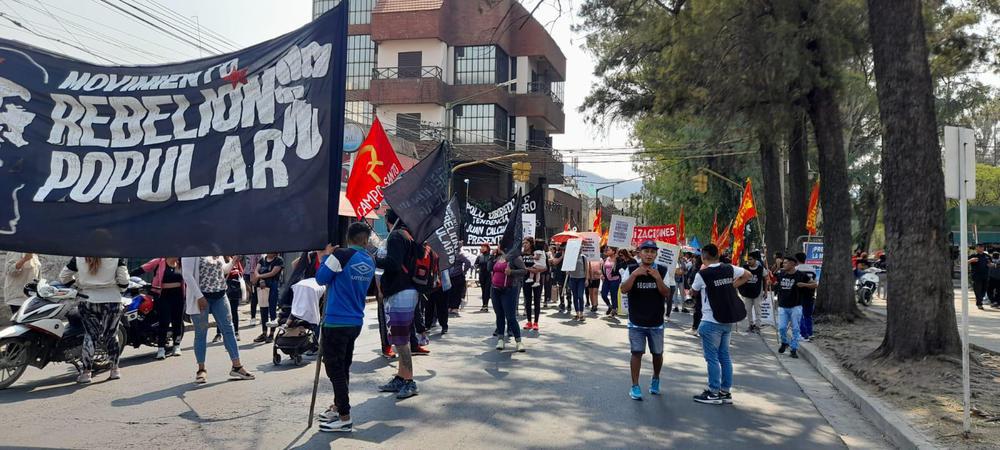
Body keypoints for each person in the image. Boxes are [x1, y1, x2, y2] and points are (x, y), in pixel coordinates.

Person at [315, 223, 376, 433]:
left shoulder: (341, 255)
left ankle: (344, 417)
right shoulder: (369, 260)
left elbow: (321, 278)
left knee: (335, 370)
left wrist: (325, 256)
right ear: (365, 240)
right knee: (343, 366)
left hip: (336, 321)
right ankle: (338, 406)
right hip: (355, 321)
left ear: (348, 237)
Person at [689, 244, 750, 405]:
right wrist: (730, 286)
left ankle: (713, 392)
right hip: (727, 320)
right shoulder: (729, 268)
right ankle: (725, 391)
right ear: (718, 255)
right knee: (724, 356)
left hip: (710, 320)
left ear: (703, 256)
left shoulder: (703, 274)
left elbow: (693, 292)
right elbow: (747, 275)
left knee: (712, 358)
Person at [182, 255, 254, 384]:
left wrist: (232, 262)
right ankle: (201, 369)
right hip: (201, 297)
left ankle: (237, 366)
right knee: (201, 333)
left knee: (228, 329)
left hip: (220, 295)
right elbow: (187, 274)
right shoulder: (191, 251)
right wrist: (199, 296)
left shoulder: (215, 250)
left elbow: (223, 270)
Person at [59, 257, 129, 383]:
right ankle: (114, 370)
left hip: (87, 299)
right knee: (111, 335)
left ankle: (86, 373)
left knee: (90, 335)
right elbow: (124, 281)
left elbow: (64, 277)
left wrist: (78, 287)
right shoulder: (116, 256)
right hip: (112, 299)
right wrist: (119, 289)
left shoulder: (79, 257)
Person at [376, 209, 422, 399]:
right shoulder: (409, 235)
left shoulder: (396, 236)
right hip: (406, 290)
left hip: (400, 291)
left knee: (401, 341)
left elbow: (394, 264)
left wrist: (376, 259)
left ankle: (409, 381)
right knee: (399, 339)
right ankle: (401, 377)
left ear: (388, 220)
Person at [620, 240, 670, 401]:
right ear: (640, 253)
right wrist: (635, 275)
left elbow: (666, 293)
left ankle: (655, 378)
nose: (649, 254)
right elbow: (623, 289)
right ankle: (635, 386)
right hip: (636, 321)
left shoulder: (662, 270)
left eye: (652, 252)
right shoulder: (631, 269)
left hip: (656, 322)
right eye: (646, 251)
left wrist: (658, 279)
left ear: (656, 254)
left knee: (657, 353)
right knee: (636, 353)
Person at [130, 258, 186, 356]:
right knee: (164, 321)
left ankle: (176, 346)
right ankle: (161, 349)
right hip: (162, 296)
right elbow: (143, 269)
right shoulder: (159, 262)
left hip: (178, 296)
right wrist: (127, 276)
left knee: (177, 321)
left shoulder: (181, 263)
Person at [775, 257, 816, 359]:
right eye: (783, 263)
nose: (783, 265)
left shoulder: (801, 275)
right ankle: (785, 342)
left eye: (785, 263)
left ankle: (794, 349)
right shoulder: (781, 274)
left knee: (796, 329)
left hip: (796, 306)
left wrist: (804, 285)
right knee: (782, 327)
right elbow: (774, 282)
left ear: (793, 264)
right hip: (783, 306)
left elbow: (815, 284)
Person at [491, 249, 527, 352]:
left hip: (509, 289)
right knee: (499, 315)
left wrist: (511, 272)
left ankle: (519, 341)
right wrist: (491, 257)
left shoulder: (515, 257)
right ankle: (501, 339)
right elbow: (490, 268)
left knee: (510, 317)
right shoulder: (498, 257)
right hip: (495, 289)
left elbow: (524, 270)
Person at [252, 253, 284, 343]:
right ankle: (264, 333)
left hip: (273, 286)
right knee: (263, 309)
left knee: (272, 310)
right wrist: (259, 277)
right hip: (262, 286)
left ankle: (271, 334)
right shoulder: (262, 259)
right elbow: (256, 270)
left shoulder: (279, 260)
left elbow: (273, 273)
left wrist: (259, 276)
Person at [215, 256, 244, 343]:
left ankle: (236, 332)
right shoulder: (219, 259)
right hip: (222, 288)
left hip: (234, 288)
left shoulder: (234, 260)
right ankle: (219, 333)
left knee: (234, 311)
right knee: (220, 312)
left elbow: (241, 273)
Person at [738, 251, 768, 334]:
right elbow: (739, 277)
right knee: (748, 310)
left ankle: (758, 326)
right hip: (747, 293)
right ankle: (751, 325)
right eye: (748, 260)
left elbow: (766, 279)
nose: (749, 261)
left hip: (757, 293)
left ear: (755, 260)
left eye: (750, 259)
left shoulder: (761, 269)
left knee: (758, 310)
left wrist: (766, 291)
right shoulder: (744, 268)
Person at [3, 252, 38, 320]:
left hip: (30, 297)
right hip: (17, 298)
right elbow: (10, 270)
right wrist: (24, 259)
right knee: (20, 323)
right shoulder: (14, 251)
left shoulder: (34, 254)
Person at [522, 239, 546, 331]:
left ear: (531, 244)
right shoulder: (522, 254)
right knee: (527, 301)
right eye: (523, 243)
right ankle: (529, 321)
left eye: (526, 243)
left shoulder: (537, 252)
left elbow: (545, 267)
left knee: (537, 300)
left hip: (537, 280)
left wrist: (537, 270)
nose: (524, 245)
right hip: (526, 279)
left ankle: (536, 322)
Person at [794, 252, 818, 341]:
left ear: (796, 260)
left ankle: (803, 333)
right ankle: (810, 332)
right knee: (808, 315)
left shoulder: (796, 270)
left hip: (799, 295)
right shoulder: (812, 269)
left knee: (799, 315)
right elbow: (815, 282)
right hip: (810, 294)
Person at [446, 250, 473, 315]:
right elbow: (468, 263)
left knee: (453, 292)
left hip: (454, 276)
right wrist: (464, 272)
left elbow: (468, 263)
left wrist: (464, 272)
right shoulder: (458, 254)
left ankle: (452, 308)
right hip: (455, 276)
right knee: (455, 293)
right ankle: (453, 308)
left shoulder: (451, 254)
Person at [566, 249, 588, 321]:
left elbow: (586, 269)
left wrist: (586, 279)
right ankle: (577, 313)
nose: (579, 250)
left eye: (580, 249)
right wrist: (567, 271)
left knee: (580, 296)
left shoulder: (583, 257)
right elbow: (567, 267)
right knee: (575, 296)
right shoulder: (571, 257)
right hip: (573, 279)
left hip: (581, 279)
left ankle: (581, 313)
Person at [970, 244, 993, 310]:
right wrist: (971, 260)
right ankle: (979, 303)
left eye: (982, 247)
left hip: (985, 275)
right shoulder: (973, 256)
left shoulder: (987, 256)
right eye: (979, 247)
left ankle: (980, 299)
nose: (981, 248)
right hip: (976, 276)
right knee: (978, 290)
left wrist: (991, 265)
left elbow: (990, 264)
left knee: (984, 289)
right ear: (976, 248)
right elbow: (964, 262)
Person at [601, 246, 622, 317]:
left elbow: (621, 268)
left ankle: (614, 310)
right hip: (606, 280)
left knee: (614, 295)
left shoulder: (618, 259)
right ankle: (609, 305)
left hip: (615, 280)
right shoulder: (606, 258)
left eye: (609, 250)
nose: (607, 251)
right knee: (603, 294)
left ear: (613, 251)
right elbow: (603, 267)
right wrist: (603, 274)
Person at [242, 254, 260, 327]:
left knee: (262, 299)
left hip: (260, 275)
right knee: (254, 298)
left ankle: (263, 317)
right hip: (249, 274)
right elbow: (244, 263)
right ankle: (253, 318)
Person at [474, 244, 493, 312]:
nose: (482, 248)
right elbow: (475, 264)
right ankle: (484, 304)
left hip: (489, 275)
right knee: (483, 290)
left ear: (487, 248)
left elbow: (493, 264)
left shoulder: (491, 256)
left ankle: (485, 305)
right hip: (482, 275)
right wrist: (477, 267)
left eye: (483, 247)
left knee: (487, 290)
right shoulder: (479, 256)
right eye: (481, 247)